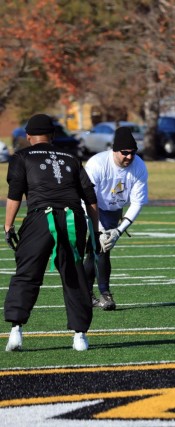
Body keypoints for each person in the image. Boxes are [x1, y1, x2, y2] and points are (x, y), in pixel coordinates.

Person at [4, 113, 100, 352]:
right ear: (53, 136)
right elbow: (90, 199)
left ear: (28, 136)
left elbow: (15, 194)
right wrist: (95, 232)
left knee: (27, 273)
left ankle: (16, 330)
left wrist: (8, 226)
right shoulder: (72, 157)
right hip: (72, 218)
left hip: (39, 218)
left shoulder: (22, 157)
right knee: (75, 275)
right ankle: (80, 336)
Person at [82, 127, 148, 310]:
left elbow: (137, 202)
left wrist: (118, 231)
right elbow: (87, 198)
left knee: (100, 249)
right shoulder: (97, 163)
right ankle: (103, 294)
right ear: (114, 150)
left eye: (133, 153)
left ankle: (88, 294)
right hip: (89, 206)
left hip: (113, 210)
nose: (129, 157)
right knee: (96, 248)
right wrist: (100, 228)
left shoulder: (139, 166)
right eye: (125, 153)